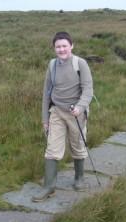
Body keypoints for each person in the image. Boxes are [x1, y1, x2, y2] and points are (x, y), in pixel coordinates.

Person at [32, 31, 93, 202]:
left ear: (71, 46)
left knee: (77, 145)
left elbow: (88, 90)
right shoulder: (52, 65)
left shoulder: (80, 63)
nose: (61, 49)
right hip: (56, 112)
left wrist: (80, 107)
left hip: (76, 114)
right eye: (58, 46)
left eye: (64, 45)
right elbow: (46, 94)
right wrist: (45, 119)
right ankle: (49, 187)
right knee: (52, 149)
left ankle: (79, 179)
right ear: (54, 48)